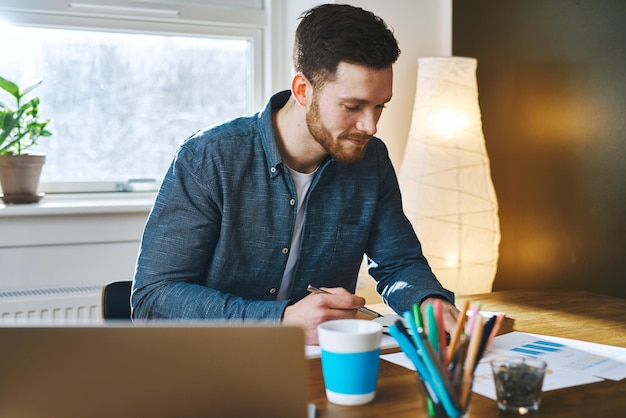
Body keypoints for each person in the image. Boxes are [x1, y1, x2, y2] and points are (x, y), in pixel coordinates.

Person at [132, 3, 459, 344]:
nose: (370, 125)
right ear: (303, 90)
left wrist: (427, 301)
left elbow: (398, 263)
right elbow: (153, 298)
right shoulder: (208, 158)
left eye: (380, 106)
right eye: (352, 107)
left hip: (321, 369)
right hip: (216, 364)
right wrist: (282, 320)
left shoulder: (370, 160)